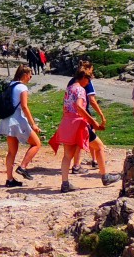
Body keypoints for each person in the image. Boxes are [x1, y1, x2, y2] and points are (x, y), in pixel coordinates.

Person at [49, 64, 109, 192]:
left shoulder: (69, 88)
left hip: (67, 122)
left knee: (67, 155)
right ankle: (105, 176)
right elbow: (79, 107)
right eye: (88, 80)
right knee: (99, 147)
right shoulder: (81, 90)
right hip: (78, 123)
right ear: (83, 78)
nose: (88, 83)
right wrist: (92, 121)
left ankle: (65, 183)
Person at [0, 64, 42, 188]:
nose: (31, 77)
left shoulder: (10, 85)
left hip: (6, 120)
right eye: (30, 75)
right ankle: (23, 167)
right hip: (17, 120)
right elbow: (24, 106)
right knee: (36, 143)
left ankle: (9, 179)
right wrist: (33, 124)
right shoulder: (22, 87)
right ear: (25, 75)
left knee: (11, 152)